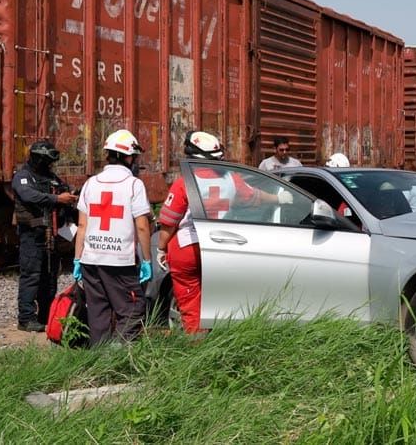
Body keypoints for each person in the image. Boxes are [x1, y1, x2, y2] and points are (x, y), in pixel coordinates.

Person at [158, 130, 293, 333]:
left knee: (191, 302)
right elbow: (254, 196)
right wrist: (279, 199)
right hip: (220, 247)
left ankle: (197, 347)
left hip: (187, 249)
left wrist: (161, 248)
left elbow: (169, 221)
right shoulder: (231, 179)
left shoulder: (183, 183)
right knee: (220, 299)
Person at [73, 129, 153, 345]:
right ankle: (120, 358)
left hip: (91, 260)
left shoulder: (91, 183)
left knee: (98, 314)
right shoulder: (134, 185)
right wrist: (147, 260)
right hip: (121, 262)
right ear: (128, 157)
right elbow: (143, 227)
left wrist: (78, 258)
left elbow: (82, 225)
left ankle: (99, 360)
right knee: (132, 309)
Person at [12, 141, 78, 332]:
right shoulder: (23, 177)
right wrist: (57, 199)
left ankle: (45, 315)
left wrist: (69, 197)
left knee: (49, 277)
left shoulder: (51, 178)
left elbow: (63, 190)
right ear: (38, 158)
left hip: (51, 237)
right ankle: (25, 319)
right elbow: (28, 196)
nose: (49, 164)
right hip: (32, 236)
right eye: (46, 160)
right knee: (31, 276)